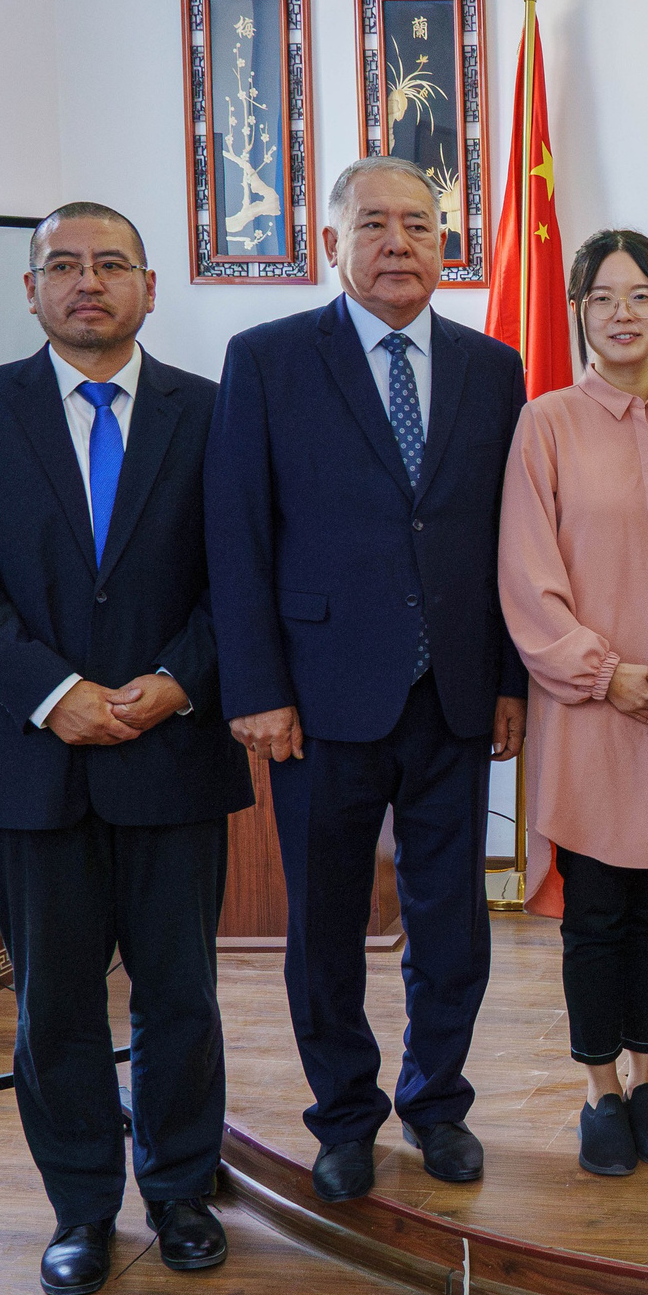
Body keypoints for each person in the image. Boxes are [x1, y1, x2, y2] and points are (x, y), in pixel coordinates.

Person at [0, 202, 252, 1295]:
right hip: (32, 759)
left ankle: (180, 1191)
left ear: (151, 287)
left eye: (111, 264)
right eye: (63, 265)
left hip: (173, 750)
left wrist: (176, 683)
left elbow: (237, 576)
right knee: (54, 1002)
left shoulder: (212, 415)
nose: (88, 282)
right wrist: (54, 694)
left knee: (180, 994)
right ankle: (80, 1209)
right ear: (31, 291)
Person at [206, 155, 530, 1206]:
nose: (400, 244)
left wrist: (512, 680)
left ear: (447, 245)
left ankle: (436, 1102)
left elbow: (510, 543)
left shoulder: (494, 368)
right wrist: (255, 686)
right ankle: (342, 1115)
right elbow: (238, 536)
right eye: (377, 225)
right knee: (326, 925)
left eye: (422, 226)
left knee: (453, 925)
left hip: (454, 694)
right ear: (333, 241)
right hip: (319, 700)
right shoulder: (266, 360)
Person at [499, 230, 648, 1178]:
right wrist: (605, 671)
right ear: (581, 312)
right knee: (595, 912)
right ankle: (600, 1092)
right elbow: (527, 575)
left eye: (641, 296)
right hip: (591, 714)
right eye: (603, 297)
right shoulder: (544, 423)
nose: (623, 313)